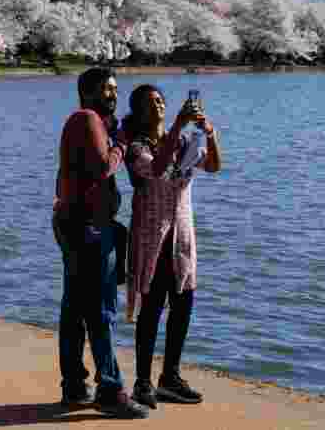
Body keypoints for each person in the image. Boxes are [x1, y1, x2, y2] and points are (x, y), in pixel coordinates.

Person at [52, 67, 149, 419]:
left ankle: (75, 385)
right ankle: (109, 388)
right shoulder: (86, 118)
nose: (113, 94)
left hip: (76, 223)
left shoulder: (86, 122)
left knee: (76, 309)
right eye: (106, 89)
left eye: (115, 89)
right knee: (100, 309)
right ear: (87, 91)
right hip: (87, 228)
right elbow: (101, 166)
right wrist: (121, 144)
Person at [121, 84, 222, 409]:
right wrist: (178, 123)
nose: (159, 106)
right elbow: (159, 168)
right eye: (151, 103)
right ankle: (142, 382)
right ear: (138, 112)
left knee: (183, 303)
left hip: (181, 232)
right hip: (152, 236)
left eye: (161, 100)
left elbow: (213, 166)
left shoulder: (181, 142)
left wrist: (210, 133)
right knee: (151, 309)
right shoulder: (136, 147)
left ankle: (170, 377)